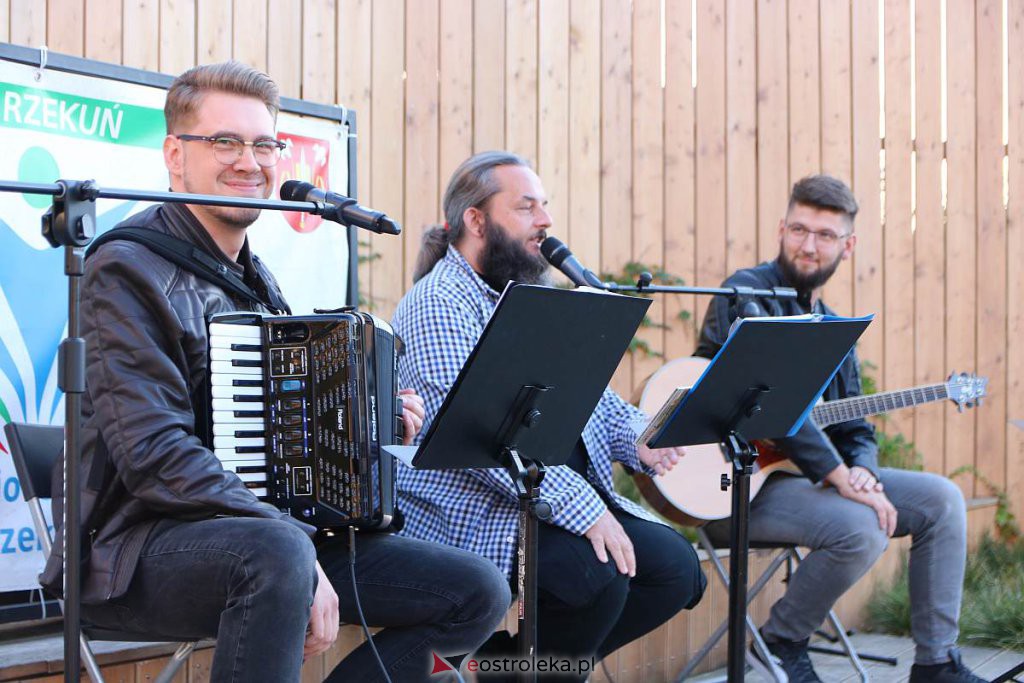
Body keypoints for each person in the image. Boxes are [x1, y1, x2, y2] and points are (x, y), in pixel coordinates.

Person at [39, 61, 510, 682]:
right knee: (280, 555)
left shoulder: (252, 278)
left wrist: (374, 421)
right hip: (131, 553)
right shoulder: (125, 269)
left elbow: (284, 435)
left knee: (477, 589)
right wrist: (286, 536)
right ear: (175, 155)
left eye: (264, 144)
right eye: (225, 142)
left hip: (259, 536)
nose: (249, 161)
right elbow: (154, 453)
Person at [392, 151, 706, 680]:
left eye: (545, 206)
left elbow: (597, 401)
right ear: (476, 220)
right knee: (597, 578)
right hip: (473, 510)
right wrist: (584, 509)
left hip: (541, 499)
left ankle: (508, 671)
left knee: (675, 572)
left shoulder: (533, 296)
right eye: (526, 207)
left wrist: (640, 438)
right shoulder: (437, 304)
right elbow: (478, 432)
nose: (546, 221)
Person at [696, 174, 985, 683]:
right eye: (800, 230)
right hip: (726, 486)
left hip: (805, 482)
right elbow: (777, 401)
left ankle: (936, 664)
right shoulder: (745, 293)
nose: (809, 246)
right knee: (861, 526)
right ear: (781, 229)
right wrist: (841, 478)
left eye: (825, 235)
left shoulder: (833, 328)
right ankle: (782, 640)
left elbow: (854, 424)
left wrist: (864, 471)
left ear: (847, 246)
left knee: (941, 500)